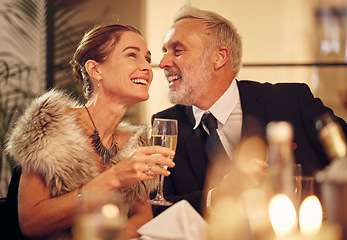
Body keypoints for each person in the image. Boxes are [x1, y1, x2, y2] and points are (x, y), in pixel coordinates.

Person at [151, 3, 347, 217]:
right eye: (165, 51)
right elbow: (155, 208)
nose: (163, 63)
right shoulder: (165, 126)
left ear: (219, 57)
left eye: (177, 51)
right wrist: (215, 197)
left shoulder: (292, 101)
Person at [4, 24, 175, 240]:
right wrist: (114, 177)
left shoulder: (135, 143)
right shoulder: (50, 122)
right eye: (132, 55)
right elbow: (31, 223)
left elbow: (143, 218)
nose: (147, 67)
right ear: (96, 70)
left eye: (147, 58)